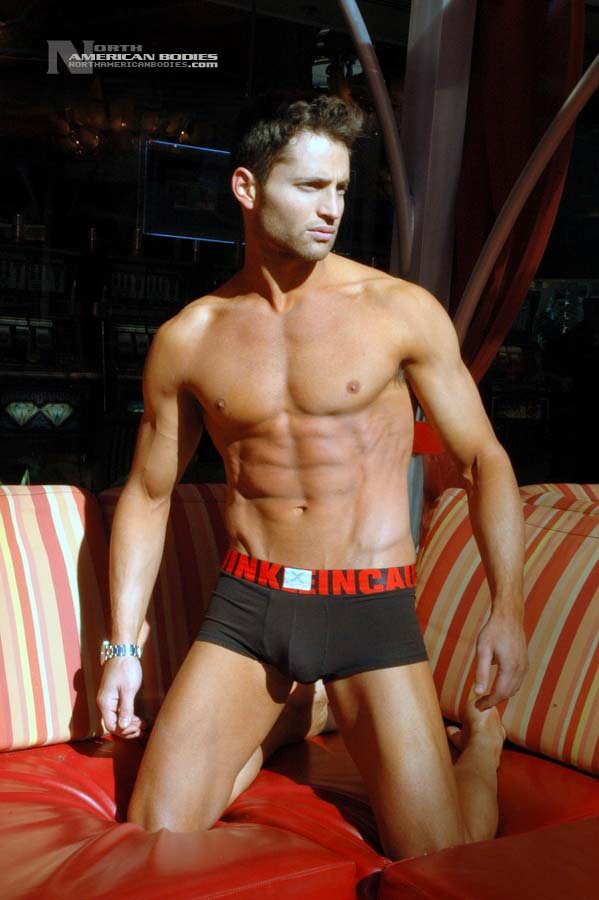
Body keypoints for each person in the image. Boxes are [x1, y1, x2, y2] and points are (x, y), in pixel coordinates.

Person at [96, 90, 528, 860]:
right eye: (308, 186)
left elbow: (481, 460)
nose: (331, 209)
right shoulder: (189, 337)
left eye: (341, 189)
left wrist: (507, 610)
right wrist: (121, 651)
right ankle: (294, 713)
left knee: (438, 852)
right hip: (250, 606)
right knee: (153, 827)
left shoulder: (398, 311)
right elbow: (148, 494)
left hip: (369, 606)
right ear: (247, 187)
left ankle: (483, 745)